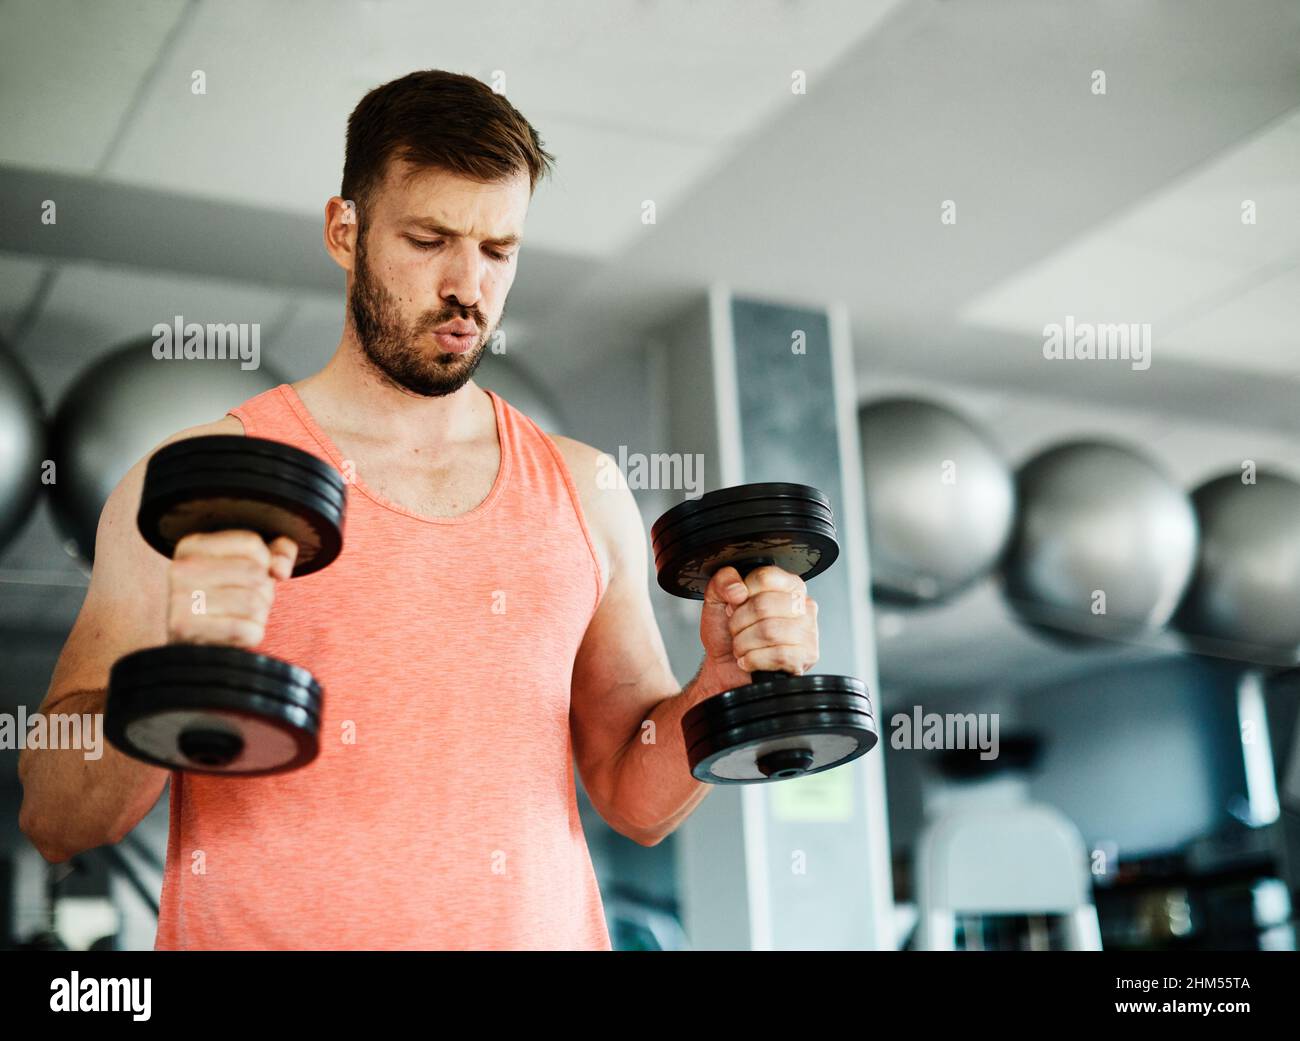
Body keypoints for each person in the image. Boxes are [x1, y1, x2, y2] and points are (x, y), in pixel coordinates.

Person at [17, 69, 821, 950]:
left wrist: (719, 683)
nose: (467, 286)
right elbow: (59, 818)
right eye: (430, 238)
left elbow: (636, 797)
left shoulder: (584, 491)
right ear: (343, 231)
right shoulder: (198, 481)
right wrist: (182, 647)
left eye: (497, 249)